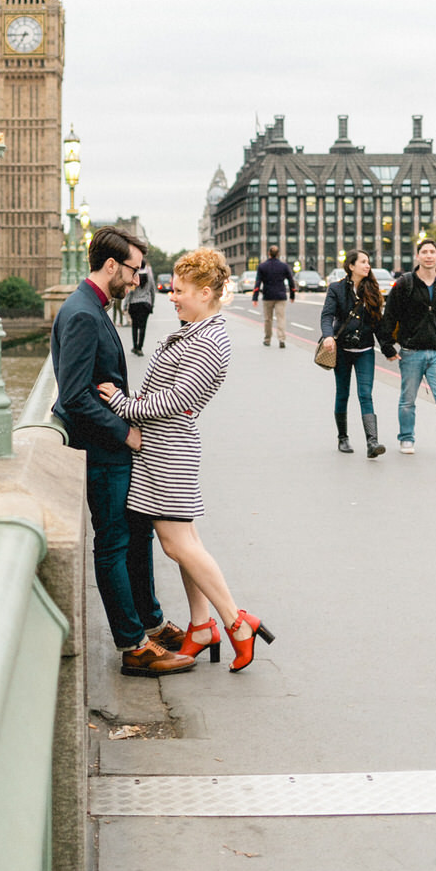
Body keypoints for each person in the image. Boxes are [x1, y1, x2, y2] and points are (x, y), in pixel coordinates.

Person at [97, 248, 275, 674]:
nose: (171, 297)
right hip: (164, 447)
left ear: (206, 292)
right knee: (186, 544)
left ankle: (236, 620)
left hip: (169, 450)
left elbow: (181, 400)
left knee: (177, 544)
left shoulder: (210, 339)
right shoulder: (197, 330)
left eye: (179, 291)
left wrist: (123, 405)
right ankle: (200, 626)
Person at [51, 225, 195, 679]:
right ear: (111, 265)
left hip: (113, 449)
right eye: (133, 270)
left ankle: (149, 623)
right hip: (103, 451)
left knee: (136, 535)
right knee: (113, 543)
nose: (137, 280)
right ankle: (133, 645)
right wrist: (125, 432)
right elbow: (73, 395)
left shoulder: (92, 308)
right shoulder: (81, 315)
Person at [379, 239, 436, 458]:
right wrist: (387, 347)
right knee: (408, 399)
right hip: (411, 351)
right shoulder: (404, 284)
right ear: (417, 257)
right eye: (424, 252)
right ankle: (406, 438)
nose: (428, 255)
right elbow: (389, 316)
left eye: (432, 252)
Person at [319, 248, 388, 457]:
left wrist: (388, 348)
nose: (368, 265)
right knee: (343, 393)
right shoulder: (336, 289)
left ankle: (372, 442)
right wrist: (328, 335)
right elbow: (327, 315)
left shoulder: (373, 290)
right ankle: (343, 438)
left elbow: (378, 324)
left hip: (365, 350)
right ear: (351, 266)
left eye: (368, 262)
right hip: (342, 351)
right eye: (363, 262)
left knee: (365, 394)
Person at [251, 245, 296, 348]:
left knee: (268, 319)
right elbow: (291, 281)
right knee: (281, 318)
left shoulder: (262, 266)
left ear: (268, 253)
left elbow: (258, 283)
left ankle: (267, 339)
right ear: (278, 254)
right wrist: (292, 295)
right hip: (281, 295)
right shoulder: (284, 266)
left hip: (268, 295)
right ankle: (281, 339)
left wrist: (255, 297)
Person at [127, 256, 156, 356]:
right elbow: (152, 290)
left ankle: (135, 346)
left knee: (134, 326)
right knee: (143, 326)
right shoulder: (149, 276)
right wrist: (152, 303)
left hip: (134, 303)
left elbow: (130, 291)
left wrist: (126, 303)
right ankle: (140, 347)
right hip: (145, 303)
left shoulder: (134, 276)